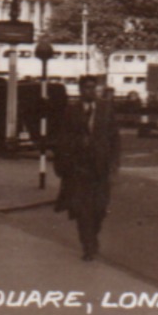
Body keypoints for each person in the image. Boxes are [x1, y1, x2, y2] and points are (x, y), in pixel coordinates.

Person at [53, 75, 120, 261]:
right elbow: (63, 138)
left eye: (93, 87)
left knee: (99, 209)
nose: (90, 91)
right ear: (80, 90)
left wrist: (114, 163)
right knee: (82, 210)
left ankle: (93, 236)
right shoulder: (71, 111)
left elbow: (114, 137)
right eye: (86, 88)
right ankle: (88, 246)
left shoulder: (106, 109)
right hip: (79, 168)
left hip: (100, 168)